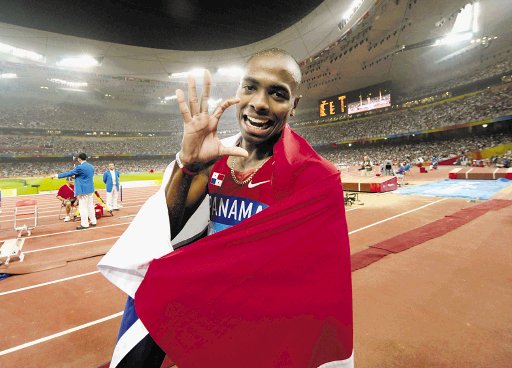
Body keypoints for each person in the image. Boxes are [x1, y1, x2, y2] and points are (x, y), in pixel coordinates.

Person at [99, 49, 353, 368]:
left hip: (256, 322)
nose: (260, 103)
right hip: (204, 302)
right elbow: (169, 236)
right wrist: (190, 167)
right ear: (238, 92)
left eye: (277, 93)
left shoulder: (314, 178)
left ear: (293, 106)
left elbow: (319, 289)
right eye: (250, 87)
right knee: (151, 291)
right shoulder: (210, 156)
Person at [54, 153, 97, 230]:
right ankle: (93, 221)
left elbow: (69, 173)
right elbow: (85, 176)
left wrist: (57, 175)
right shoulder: (91, 166)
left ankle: (85, 224)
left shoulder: (80, 167)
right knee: (90, 206)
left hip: (83, 190)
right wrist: (76, 176)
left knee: (83, 207)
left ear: (79, 159)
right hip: (90, 189)